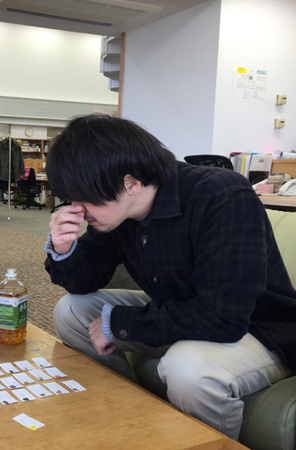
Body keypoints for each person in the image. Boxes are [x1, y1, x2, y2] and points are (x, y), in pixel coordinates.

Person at [44, 114, 296, 440]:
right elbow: (85, 281)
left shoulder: (222, 196)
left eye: (84, 199)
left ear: (130, 183)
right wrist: (64, 250)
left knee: (188, 368)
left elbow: (224, 318)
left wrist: (121, 322)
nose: (77, 210)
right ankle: (126, 416)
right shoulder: (117, 212)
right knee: (70, 311)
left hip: (258, 328)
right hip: (180, 312)